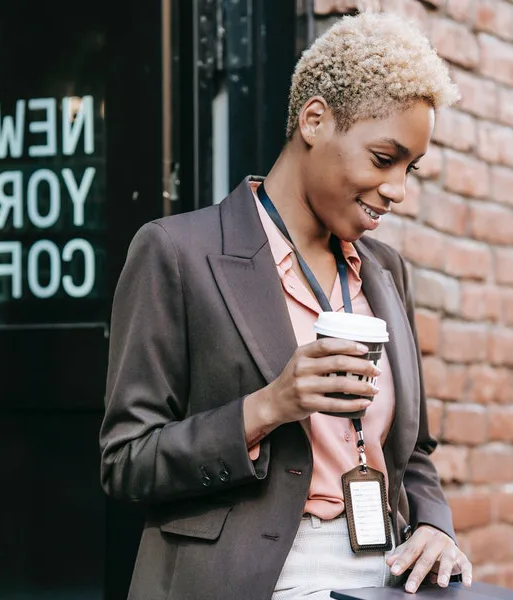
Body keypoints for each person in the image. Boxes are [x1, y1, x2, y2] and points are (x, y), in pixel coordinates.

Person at [100, 11, 473, 600]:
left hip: (383, 574)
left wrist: (434, 525)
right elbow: (127, 461)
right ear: (315, 120)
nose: (399, 188)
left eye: (411, 168)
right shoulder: (175, 253)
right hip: (245, 580)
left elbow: (413, 451)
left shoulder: (384, 271)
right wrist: (270, 405)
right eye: (383, 159)